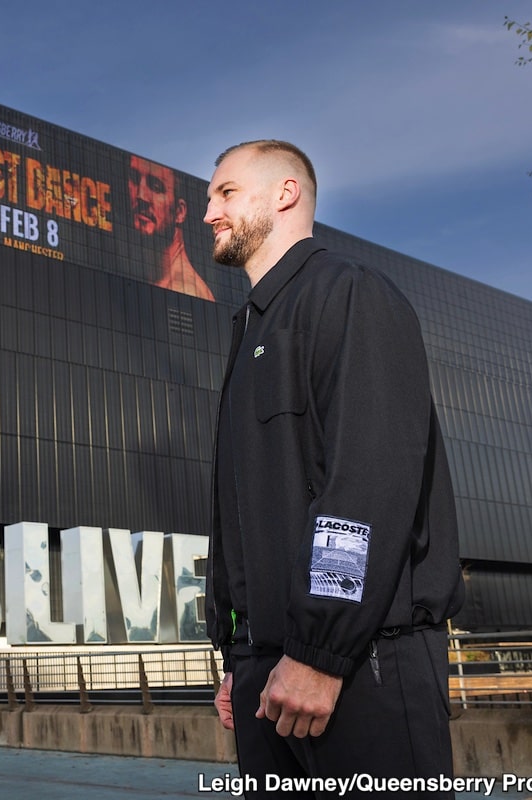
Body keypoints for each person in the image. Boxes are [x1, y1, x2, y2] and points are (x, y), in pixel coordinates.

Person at [203, 140, 464, 797]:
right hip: (273, 678)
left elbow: (368, 484)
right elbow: (245, 517)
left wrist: (321, 651)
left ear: (285, 193)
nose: (207, 211)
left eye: (225, 193)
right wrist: (240, 656)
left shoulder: (348, 295)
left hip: (359, 669)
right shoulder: (252, 332)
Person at [127, 154, 214, 301]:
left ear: (179, 212)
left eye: (156, 187)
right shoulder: (157, 280)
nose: (141, 196)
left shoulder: (184, 290)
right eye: (135, 179)